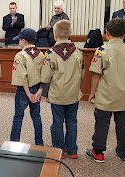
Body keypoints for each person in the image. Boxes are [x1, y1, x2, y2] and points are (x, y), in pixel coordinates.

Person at [86, 19, 125, 162]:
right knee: (123, 123)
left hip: (106, 95)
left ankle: (98, 152)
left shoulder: (102, 51)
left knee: (102, 123)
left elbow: (96, 74)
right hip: (124, 95)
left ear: (106, 33)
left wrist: (91, 93)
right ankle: (124, 152)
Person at [41, 20, 84, 159]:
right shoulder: (78, 52)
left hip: (57, 94)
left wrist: (46, 94)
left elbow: (46, 76)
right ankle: (72, 150)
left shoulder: (50, 53)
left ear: (55, 34)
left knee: (57, 122)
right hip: (73, 94)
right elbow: (81, 74)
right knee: (72, 121)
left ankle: (59, 149)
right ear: (70, 34)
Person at [10, 28, 44, 145]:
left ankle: (14, 143)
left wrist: (28, 93)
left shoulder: (20, 55)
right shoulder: (41, 55)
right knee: (36, 117)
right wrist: (40, 90)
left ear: (24, 41)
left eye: (19, 40)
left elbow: (21, 76)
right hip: (37, 90)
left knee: (18, 117)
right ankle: (39, 143)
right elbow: (44, 75)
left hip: (23, 91)